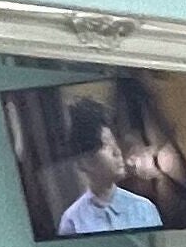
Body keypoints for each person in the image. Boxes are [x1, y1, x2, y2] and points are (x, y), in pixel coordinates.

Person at [54, 96, 163, 235]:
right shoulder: (72, 221)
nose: (117, 151)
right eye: (106, 145)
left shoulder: (143, 208)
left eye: (114, 142)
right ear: (84, 161)